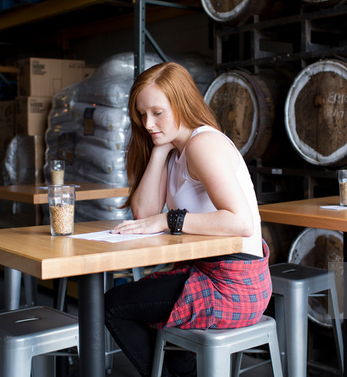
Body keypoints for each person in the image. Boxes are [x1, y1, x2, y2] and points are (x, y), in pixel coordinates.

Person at [104, 62, 271, 376]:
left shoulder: (203, 144)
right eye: (142, 114)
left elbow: (241, 222)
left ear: (181, 104)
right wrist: (159, 151)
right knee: (136, 308)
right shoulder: (177, 151)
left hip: (235, 284)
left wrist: (170, 220)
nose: (148, 123)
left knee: (113, 306)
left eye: (157, 112)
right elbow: (143, 213)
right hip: (210, 272)